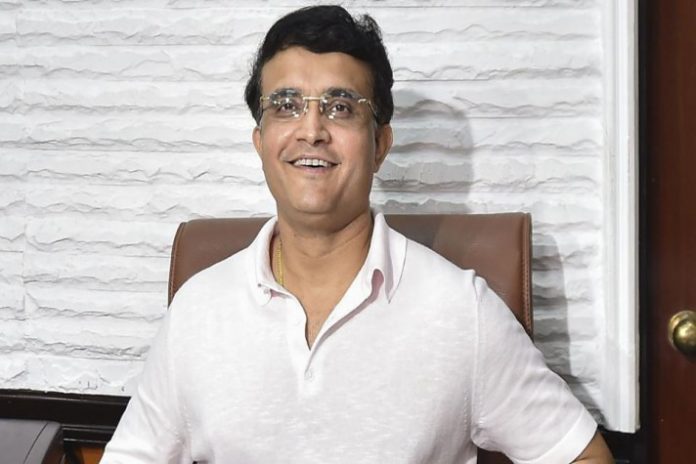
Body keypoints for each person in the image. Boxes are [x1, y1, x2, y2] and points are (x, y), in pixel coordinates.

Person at [101, 5, 614, 463]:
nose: (311, 130)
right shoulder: (197, 311)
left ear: (380, 144)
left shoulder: (462, 311)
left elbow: (581, 455)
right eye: (286, 105)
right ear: (260, 142)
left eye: (341, 107)